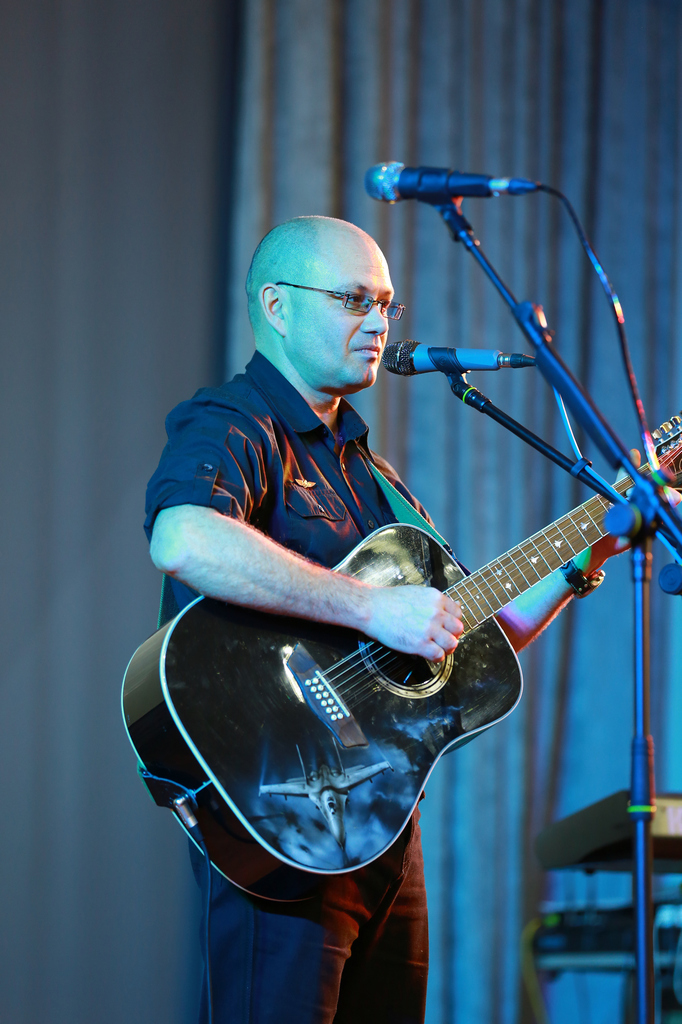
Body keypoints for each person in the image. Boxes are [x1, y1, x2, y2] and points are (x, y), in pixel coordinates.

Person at [144, 216, 625, 1024]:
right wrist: (372, 607)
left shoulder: (376, 476)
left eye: (386, 304)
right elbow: (184, 538)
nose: (378, 323)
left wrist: (593, 545)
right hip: (282, 814)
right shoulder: (234, 421)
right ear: (277, 305)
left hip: (384, 831)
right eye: (353, 300)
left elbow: (469, 637)